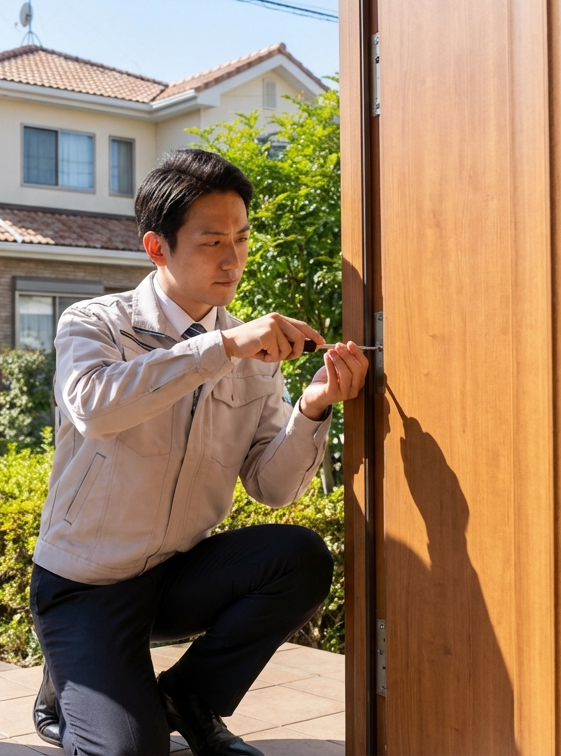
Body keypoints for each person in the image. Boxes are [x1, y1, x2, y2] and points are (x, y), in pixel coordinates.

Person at [29, 149, 369, 756]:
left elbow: (272, 485)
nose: (232, 258)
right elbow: (95, 407)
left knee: (300, 557)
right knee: (132, 752)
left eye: (240, 238)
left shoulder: (247, 352)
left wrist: (311, 408)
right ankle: (72, 673)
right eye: (212, 241)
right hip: (86, 582)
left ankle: (190, 697)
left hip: (176, 574)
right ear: (157, 248)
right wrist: (222, 346)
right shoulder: (96, 323)